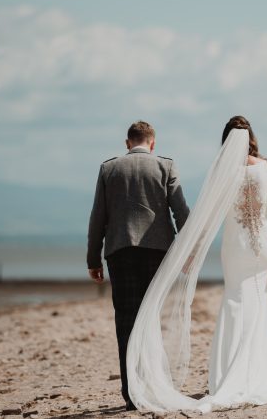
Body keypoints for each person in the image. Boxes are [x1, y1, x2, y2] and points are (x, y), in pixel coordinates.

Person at [126, 115, 267, 413]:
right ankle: (259, 374)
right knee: (257, 304)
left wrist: (191, 253)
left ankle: (229, 375)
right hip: (263, 247)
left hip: (235, 248)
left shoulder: (223, 170)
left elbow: (207, 218)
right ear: (251, 137)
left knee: (234, 301)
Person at [86, 120, 190, 411]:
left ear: (127, 143)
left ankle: (132, 393)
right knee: (150, 318)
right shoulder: (165, 167)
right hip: (158, 252)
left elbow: (98, 217)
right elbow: (181, 211)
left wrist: (93, 259)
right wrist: (189, 250)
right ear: (153, 143)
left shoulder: (109, 169)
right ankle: (154, 386)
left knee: (126, 323)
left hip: (119, 251)